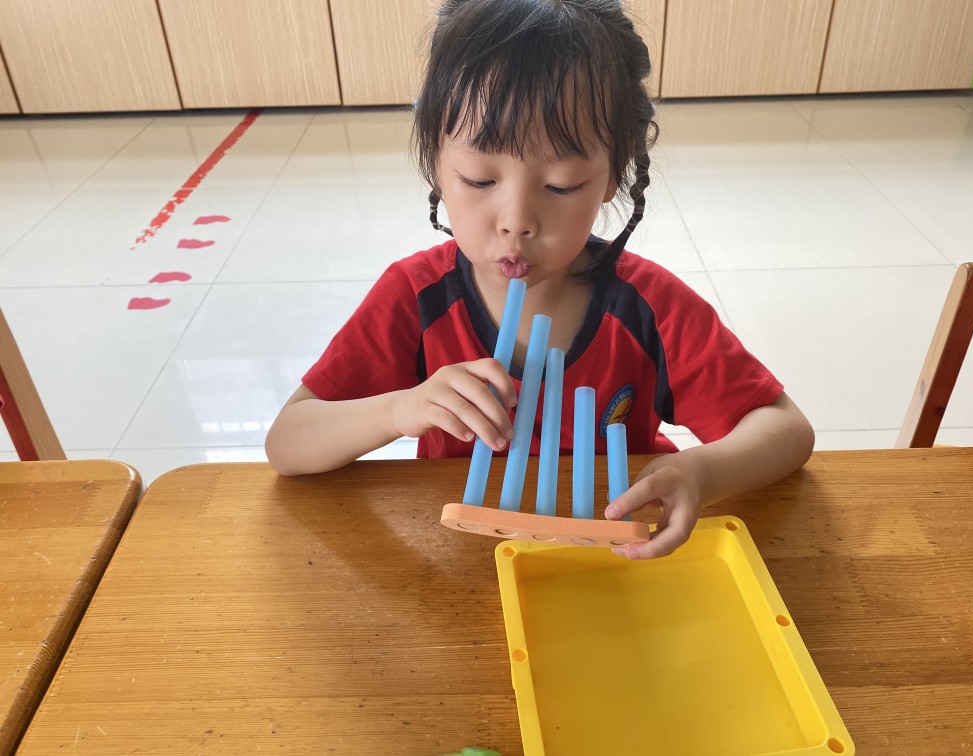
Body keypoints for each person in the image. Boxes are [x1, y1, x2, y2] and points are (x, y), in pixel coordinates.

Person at [266, 0, 815, 559]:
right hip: (469, 563)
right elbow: (288, 443)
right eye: (479, 179)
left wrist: (702, 472)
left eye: (561, 185)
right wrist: (398, 410)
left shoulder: (648, 307)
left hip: (609, 559)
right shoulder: (417, 298)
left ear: (612, 175)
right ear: (435, 161)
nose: (517, 221)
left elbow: (787, 430)